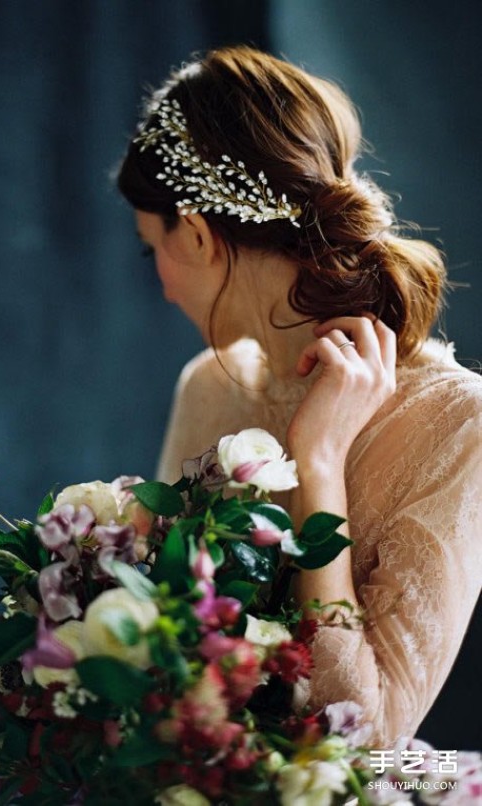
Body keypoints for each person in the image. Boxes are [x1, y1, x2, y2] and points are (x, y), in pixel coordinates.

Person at [117, 46, 482, 749]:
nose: (159, 282)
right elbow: (161, 634)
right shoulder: (206, 384)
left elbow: (367, 743)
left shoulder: (459, 420)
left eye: (149, 249)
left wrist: (320, 463)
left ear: (195, 233)